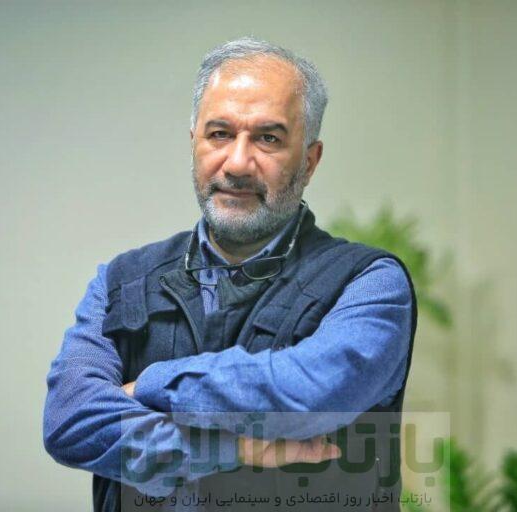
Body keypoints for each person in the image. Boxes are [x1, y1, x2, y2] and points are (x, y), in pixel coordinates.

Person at [43, 37, 417, 512]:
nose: (237, 163)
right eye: (219, 134)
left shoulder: (370, 283)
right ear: (194, 143)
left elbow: (313, 395)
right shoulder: (121, 281)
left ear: (310, 160)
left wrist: (153, 385)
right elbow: (70, 422)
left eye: (268, 138)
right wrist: (232, 448)